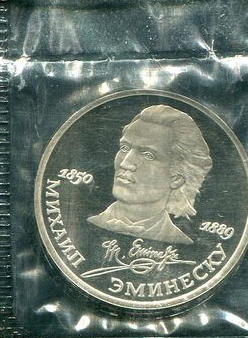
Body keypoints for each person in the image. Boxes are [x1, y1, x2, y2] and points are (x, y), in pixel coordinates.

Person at [87, 104, 212, 246]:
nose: (125, 163)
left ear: (176, 178)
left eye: (148, 155)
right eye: (124, 148)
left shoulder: (183, 244)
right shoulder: (86, 225)